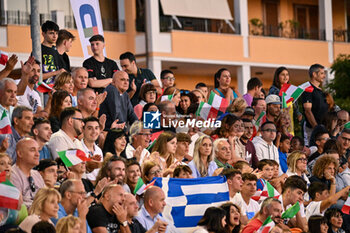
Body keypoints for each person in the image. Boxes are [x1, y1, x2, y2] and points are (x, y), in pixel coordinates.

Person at [10, 138, 45, 208]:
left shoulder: (37, 174)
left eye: (38, 150)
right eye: (32, 150)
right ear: (20, 153)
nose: (37, 154)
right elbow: (18, 207)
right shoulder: (12, 175)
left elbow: (45, 199)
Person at [301, 64, 329, 146]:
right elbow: (307, 111)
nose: (324, 76)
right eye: (322, 73)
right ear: (314, 74)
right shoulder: (308, 89)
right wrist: (316, 128)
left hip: (323, 129)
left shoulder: (320, 91)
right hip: (311, 129)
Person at [41, 20, 64, 85]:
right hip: (42, 91)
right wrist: (55, 73)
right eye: (51, 33)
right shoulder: (38, 50)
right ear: (43, 34)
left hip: (55, 89)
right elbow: (35, 76)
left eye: (56, 33)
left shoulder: (55, 50)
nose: (55, 36)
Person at [81, 116, 103, 182]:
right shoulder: (78, 148)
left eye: (96, 128)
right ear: (83, 130)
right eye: (90, 128)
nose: (94, 131)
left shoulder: (99, 150)